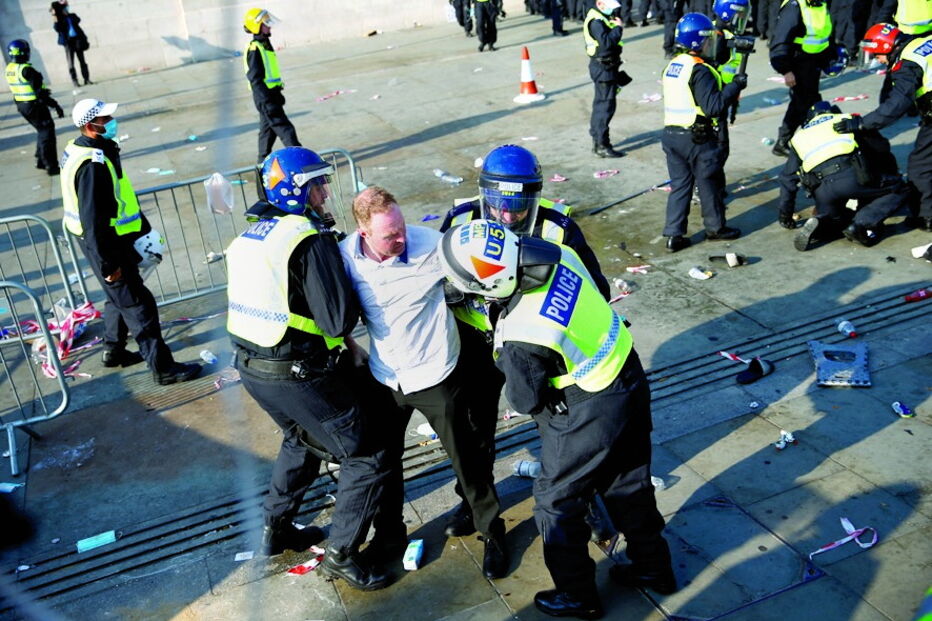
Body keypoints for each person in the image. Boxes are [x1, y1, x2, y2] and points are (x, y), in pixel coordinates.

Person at [439, 220, 675, 620]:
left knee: (555, 503)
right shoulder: (561, 254)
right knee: (628, 482)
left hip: (587, 408)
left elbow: (526, 399)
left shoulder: (522, 332)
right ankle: (655, 568)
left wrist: (495, 335)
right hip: (627, 375)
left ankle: (577, 595)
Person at [225, 147, 391, 591]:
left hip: (253, 367)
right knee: (366, 454)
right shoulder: (307, 237)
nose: (324, 193)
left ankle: (275, 531)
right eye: (317, 185)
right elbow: (335, 317)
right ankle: (341, 554)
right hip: (297, 372)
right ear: (296, 192)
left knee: (299, 440)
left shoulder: (254, 234)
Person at [438, 145, 611, 540]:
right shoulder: (460, 219)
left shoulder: (557, 228)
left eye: (519, 207)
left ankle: (583, 502)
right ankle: (472, 503)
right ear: (485, 195)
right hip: (479, 342)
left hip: (535, 347)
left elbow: (594, 287)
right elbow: (442, 276)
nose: (509, 216)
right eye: (499, 206)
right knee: (474, 430)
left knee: (559, 429)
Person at [340, 187, 509, 580]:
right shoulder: (345, 256)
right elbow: (330, 307)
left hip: (437, 374)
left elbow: (484, 278)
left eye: (401, 227)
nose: (401, 238)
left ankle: (492, 532)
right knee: (385, 464)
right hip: (387, 378)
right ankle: (389, 537)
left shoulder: (432, 245)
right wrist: (350, 346)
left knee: (467, 460)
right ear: (364, 233)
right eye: (390, 235)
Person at [61, 98, 201, 385]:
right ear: (91, 126)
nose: (111, 121)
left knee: (118, 298)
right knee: (139, 305)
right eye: (105, 119)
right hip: (105, 244)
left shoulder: (84, 148)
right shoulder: (92, 164)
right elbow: (93, 220)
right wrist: (108, 264)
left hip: (107, 240)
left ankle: (113, 351)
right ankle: (163, 369)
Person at [660, 13, 746, 252]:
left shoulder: (673, 66)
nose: (711, 45)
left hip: (671, 134)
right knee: (709, 183)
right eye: (708, 41)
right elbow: (714, 107)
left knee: (680, 186)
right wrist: (735, 85)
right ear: (698, 42)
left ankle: (673, 235)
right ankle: (715, 228)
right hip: (695, 137)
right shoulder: (700, 70)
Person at [778, 101, 911, 250]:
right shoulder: (846, 120)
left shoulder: (799, 137)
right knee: (900, 189)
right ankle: (862, 222)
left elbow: (787, 179)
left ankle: (822, 224)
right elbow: (881, 148)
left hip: (822, 190)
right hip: (852, 178)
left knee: (838, 220)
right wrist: (887, 174)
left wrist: (785, 214)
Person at [850, 23, 932, 231]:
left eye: (877, 55)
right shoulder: (922, 41)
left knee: (920, 167)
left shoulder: (907, 64)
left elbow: (895, 106)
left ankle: (925, 217)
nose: (878, 60)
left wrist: (862, 123)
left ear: (886, 47)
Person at [768, 0, 834, 156]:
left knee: (801, 103)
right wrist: (786, 70)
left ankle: (783, 142)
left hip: (813, 61)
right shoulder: (794, 6)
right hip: (798, 61)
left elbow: (824, 32)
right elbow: (780, 40)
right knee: (810, 103)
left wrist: (831, 58)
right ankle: (813, 144)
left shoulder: (820, 3)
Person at [243, 7, 301, 163]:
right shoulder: (255, 49)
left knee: (266, 138)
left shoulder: (264, 45)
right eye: (265, 24)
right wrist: (268, 102)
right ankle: (301, 162)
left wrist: (277, 94)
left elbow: (271, 77)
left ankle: (261, 170)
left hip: (271, 97)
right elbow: (255, 79)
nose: (269, 26)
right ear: (257, 26)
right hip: (266, 99)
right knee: (287, 131)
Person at [5, 40, 63, 176]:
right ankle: (51, 165)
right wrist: (55, 105)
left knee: (41, 130)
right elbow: (40, 93)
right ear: (26, 52)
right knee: (47, 133)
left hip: (22, 106)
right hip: (35, 106)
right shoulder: (27, 70)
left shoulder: (10, 69)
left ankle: (41, 161)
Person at [585, 0, 633, 158]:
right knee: (605, 107)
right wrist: (618, 28)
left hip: (607, 67)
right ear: (600, 4)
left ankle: (597, 140)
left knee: (602, 105)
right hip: (603, 68)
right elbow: (606, 44)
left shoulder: (601, 17)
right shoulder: (596, 22)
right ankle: (601, 144)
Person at [50, 1, 91, 88]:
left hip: (77, 41)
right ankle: (75, 81)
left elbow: (78, 20)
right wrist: (54, 16)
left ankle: (86, 79)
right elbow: (57, 28)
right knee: (71, 63)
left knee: (82, 61)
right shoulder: (59, 19)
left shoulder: (72, 16)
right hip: (68, 43)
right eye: (64, 8)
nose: (66, 9)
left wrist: (67, 13)